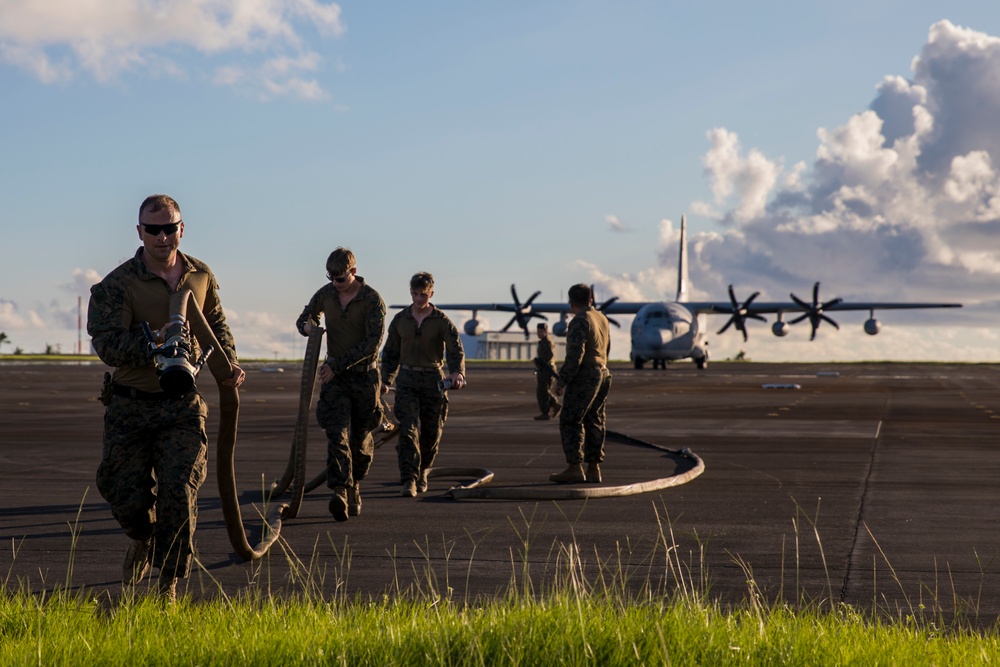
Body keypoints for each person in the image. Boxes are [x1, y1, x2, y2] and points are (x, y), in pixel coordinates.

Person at [87, 194, 245, 602]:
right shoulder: (117, 284)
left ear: (181, 228)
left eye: (169, 227)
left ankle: (169, 583)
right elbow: (106, 344)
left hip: (182, 406)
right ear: (139, 232)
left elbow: (216, 324)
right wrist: (154, 345)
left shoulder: (200, 275)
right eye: (153, 229)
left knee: (181, 491)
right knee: (123, 493)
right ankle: (142, 536)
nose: (162, 236)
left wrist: (229, 363)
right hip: (130, 404)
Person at [295, 247, 386, 521]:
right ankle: (339, 492)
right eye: (331, 277)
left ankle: (354, 485)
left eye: (341, 278)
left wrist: (337, 365)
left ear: (353, 272)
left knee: (360, 441)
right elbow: (304, 319)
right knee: (336, 435)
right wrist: (309, 326)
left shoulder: (372, 301)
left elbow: (372, 345)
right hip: (334, 379)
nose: (336, 282)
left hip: (364, 377)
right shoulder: (326, 293)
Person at [381, 272, 466, 497]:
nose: (419, 299)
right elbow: (390, 352)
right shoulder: (400, 320)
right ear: (410, 293)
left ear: (431, 294)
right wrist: (385, 380)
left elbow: (455, 349)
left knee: (431, 432)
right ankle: (408, 479)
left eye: (424, 295)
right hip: (407, 380)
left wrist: (456, 372)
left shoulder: (441, 321)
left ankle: (423, 471)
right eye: (415, 294)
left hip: (433, 380)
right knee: (408, 430)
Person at [549, 283, 612, 484]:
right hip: (604, 372)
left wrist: (562, 380)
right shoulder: (601, 318)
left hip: (586, 374)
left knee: (570, 419)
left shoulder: (580, 320)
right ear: (591, 300)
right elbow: (607, 347)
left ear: (571, 303)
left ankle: (574, 467)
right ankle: (594, 469)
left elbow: (575, 355)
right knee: (595, 419)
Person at [532, 322, 561, 420]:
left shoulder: (547, 342)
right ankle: (554, 406)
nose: (539, 333)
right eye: (538, 331)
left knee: (543, 391)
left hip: (547, 369)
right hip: (543, 369)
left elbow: (549, 356)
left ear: (546, 332)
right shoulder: (543, 342)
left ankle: (546, 412)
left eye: (541, 331)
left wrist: (541, 361)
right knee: (543, 390)